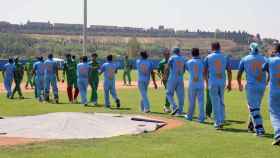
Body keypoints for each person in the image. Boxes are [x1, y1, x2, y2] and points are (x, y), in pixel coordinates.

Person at [237, 42, 267, 136]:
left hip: (251, 86)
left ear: (250, 49)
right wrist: (267, 82)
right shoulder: (264, 58)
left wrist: (239, 84)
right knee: (256, 107)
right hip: (261, 87)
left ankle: (259, 129)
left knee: (253, 108)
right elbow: (270, 72)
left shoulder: (245, 59)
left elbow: (239, 74)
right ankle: (251, 125)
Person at [204, 42, 232, 129]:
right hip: (222, 82)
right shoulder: (225, 57)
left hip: (213, 82)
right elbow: (229, 71)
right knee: (221, 101)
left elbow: (204, 72)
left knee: (215, 102)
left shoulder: (208, 57)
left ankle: (218, 122)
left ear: (212, 48)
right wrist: (229, 83)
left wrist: (207, 82)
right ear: (219, 47)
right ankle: (222, 119)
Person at [263, 44, 280, 145]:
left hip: (275, 90)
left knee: (274, 113)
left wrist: (271, 56)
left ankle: (278, 135)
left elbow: (263, 68)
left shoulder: (271, 59)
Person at [184, 48, 206, 123]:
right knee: (201, 101)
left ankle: (190, 116)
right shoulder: (202, 61)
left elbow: (187, 69)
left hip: (192, 83)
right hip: (200, 83)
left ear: (191, 53)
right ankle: (202, 118)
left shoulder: (188, 62)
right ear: (198, 53)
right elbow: (204, 71)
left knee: (191, 101)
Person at [166, 48, 186, 116]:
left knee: (169, 93)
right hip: (180, 77)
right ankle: (180, 111)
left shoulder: (172, 57)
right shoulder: (183, 58)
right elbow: (184, 70)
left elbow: (167, 66)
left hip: (172, 77)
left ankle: (174, 106)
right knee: (181, 95)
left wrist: (164, 75)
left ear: (174, 52)